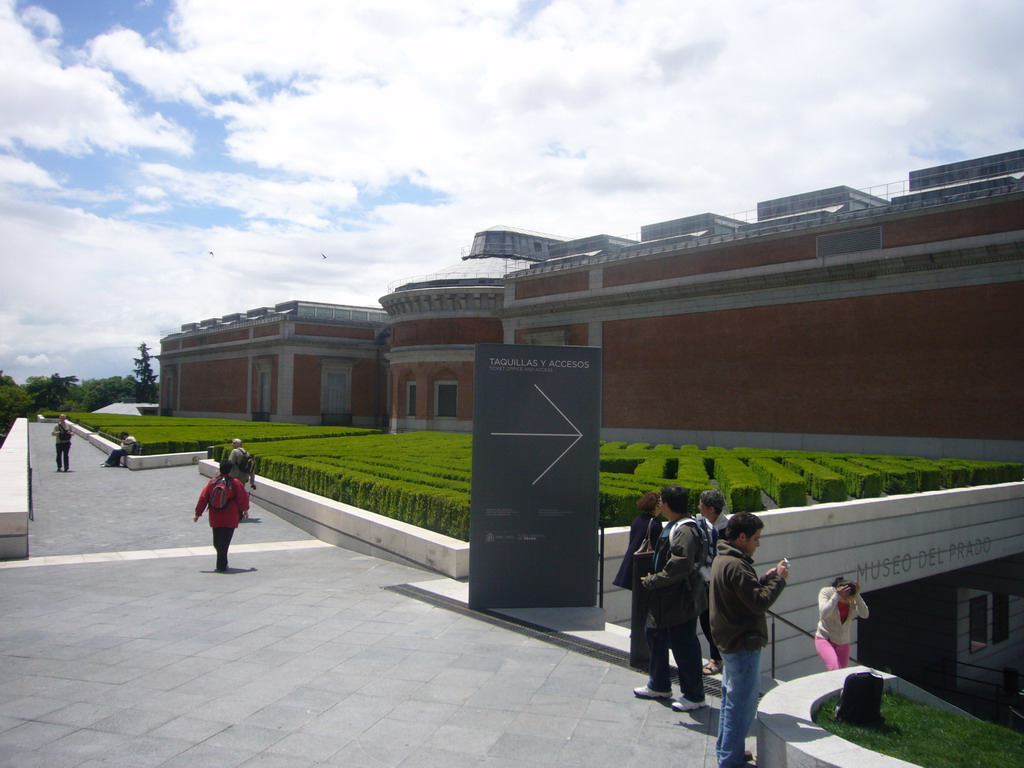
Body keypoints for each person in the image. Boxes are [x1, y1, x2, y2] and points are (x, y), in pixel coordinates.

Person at [710, 512, 788, 768]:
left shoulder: (723, 559)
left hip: (729, 641)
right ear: (742, 537)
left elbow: (744, 592)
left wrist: (763, 578)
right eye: (756, 538)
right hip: (742, 643)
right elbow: (758, 602)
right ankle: (729, 760)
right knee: (741, 706)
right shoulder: (736, 565)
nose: (758, 543)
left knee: (730, 701)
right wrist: (778, 579)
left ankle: (727, 750)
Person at [633, 485, 709, 712]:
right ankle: (659, 684)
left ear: (667, 504)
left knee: (683, 644)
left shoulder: (684, 530)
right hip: (667, 597)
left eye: (661, 501)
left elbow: (680, 565)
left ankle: (694, 695)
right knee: (655, 635)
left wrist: (654, 580)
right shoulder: (678, 526)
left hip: (678, 598)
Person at [194, 460, 250, 572]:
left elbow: (203, 497)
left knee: (217, 542)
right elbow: (242, 497)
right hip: (230, 517)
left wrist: (198, 513)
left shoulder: (212, 482)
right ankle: (222, 566)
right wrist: (245, 510)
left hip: (215, 516)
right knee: (224, 542)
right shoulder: (235, 483)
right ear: (231, 470)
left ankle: (221, 564)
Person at [695, 488, 727, 675]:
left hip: (719, 585)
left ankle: (717, 659)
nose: (699, 507)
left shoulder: (727, 530)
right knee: (705, 620)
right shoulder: (703, 524)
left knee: (713, 622)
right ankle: (717, 657)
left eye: (701, 504)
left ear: (711, 509)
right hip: (705, 581)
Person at [815, 576, 869, 670]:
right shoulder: (826, 592)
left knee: (842, 674)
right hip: (825, 639)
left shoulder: (851, 599)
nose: (846, 602)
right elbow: (824, 613)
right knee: (835, 669)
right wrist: (836, 596)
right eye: (844, 599)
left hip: (843, 642)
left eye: (849, 600)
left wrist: (857, 595)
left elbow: (864, 614)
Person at [612, 491, 663, 589]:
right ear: (655, 506)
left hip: (631, 562)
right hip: (643, 565)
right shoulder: (655, 523)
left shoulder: (637, 519)